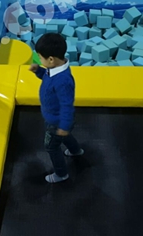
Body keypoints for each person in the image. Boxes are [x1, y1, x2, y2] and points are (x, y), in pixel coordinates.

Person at [30, 33, 84, 183]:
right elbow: (47, 76)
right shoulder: (55, 69)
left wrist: (64, 126)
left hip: (56, 121)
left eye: (40, 58)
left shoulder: (62, 81)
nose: (39, 60)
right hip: (57, 120)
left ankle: (61, 173)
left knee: (51, 147)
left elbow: (67, 105)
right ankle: (76, 150)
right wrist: (38, 71)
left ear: (51, 59)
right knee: (65, 136)